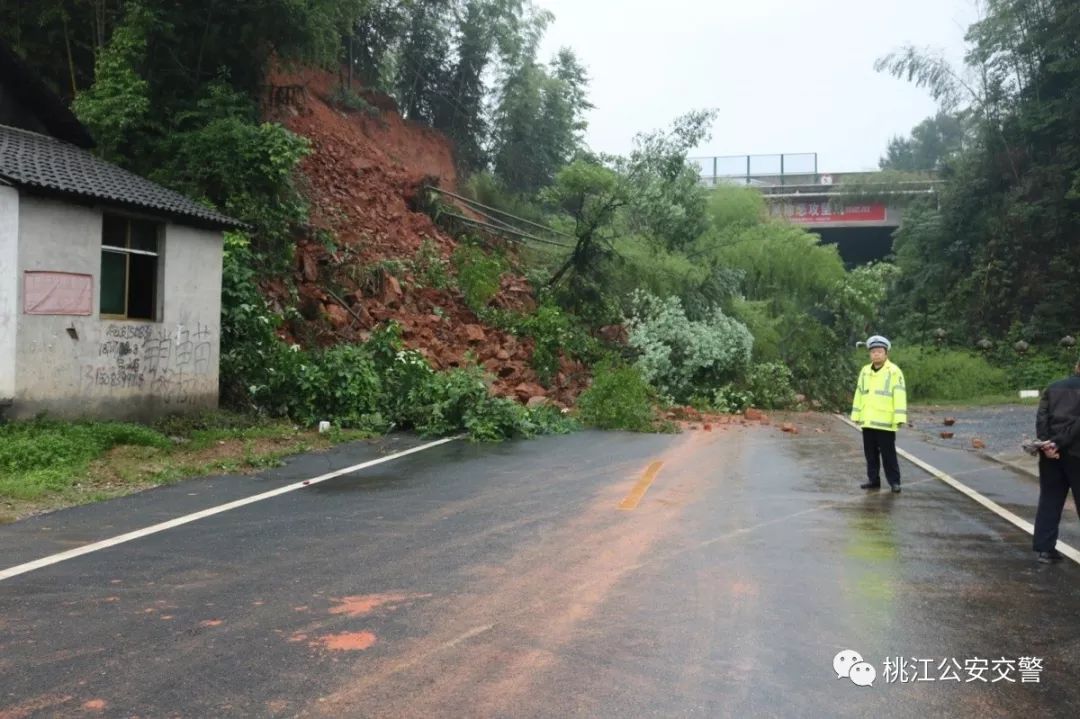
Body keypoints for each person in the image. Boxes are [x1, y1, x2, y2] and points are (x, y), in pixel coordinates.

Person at [1032, 358, 1080, 563]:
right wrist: (1058, 443)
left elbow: (1041, 417)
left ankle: (1045, 549)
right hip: (1076, 453)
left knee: (1050, 499)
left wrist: (1046, 444)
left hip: (1050, 454)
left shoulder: (1053, 388)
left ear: (1077, 367)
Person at [850, 335, 907, 493]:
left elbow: (900, 395)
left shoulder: (894, 371)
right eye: (873, 351)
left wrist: (900, 418)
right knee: (870, 454)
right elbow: (859, 393)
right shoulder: (865, 371)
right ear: (870, 354)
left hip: (886, 422)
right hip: (868, 421)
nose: (876, 354)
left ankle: (894, 482)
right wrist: (856, 415)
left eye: (879, 351)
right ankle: (873, 480)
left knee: (888, 455)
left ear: (886, 353)